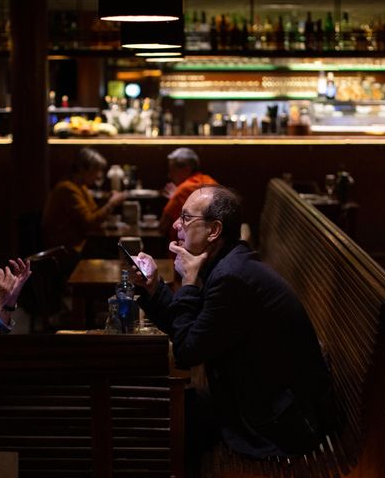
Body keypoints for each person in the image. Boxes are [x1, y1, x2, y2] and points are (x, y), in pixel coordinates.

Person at [131, 185, 336, 467]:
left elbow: (187, 352)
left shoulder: (232, 279)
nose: (177, 225)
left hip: (281, 425)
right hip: (265, 403)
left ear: (214, 231)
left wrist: (189, 283)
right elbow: (192, 332)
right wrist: (154, 287)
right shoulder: (230, 264)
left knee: (172, 417)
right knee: (176, 410)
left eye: (186, 218)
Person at [42, 147, 126, 254]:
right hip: (66, 250)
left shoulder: (81, 187)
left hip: (79, 245)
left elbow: (93, 212)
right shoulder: (68, 189)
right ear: (83, 168)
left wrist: (107, 200)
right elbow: (89, 224)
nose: (98, 175)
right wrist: (111, 203)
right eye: (96, 169)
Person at [159, 148, 217, 241]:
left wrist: (174, 197)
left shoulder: (183, 189)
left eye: (173, 171)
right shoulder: (212, 182)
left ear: (186, 170)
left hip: (183, 248)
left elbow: (163, 227)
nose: (169, 175)